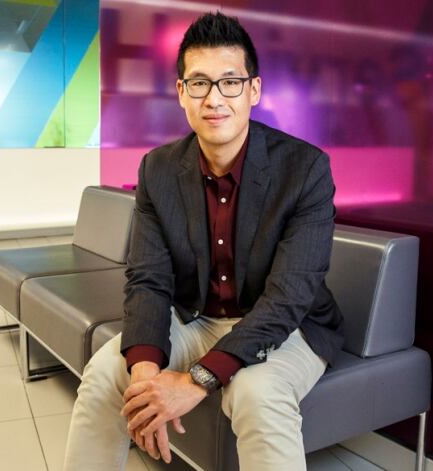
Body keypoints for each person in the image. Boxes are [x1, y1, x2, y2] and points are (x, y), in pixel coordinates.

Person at [63, 12, 344, 471]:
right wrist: (147, 374)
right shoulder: (157, 169)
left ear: (253, 90)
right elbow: (148, 279)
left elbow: (290, 297)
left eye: (230, 82)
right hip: (195, 319)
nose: (215, 99)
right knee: (105, 376)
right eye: (199, 83)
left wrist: (195, 381)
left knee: (257, 392)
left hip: (287, 326)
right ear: (181, 93)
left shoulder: (305, 169)